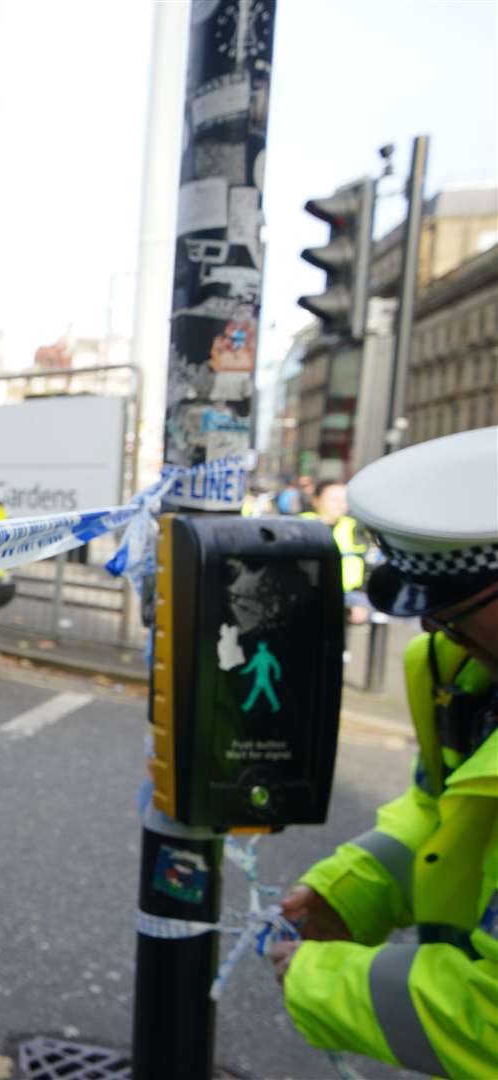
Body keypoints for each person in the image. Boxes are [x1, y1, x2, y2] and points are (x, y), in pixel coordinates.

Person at [269, 426, 498, 1078]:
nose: (432, 626)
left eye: (459, 604)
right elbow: (445, 814)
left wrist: (319, 980)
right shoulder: (462, 672)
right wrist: (350, 890)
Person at [303, 480, 371, 624]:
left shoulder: (356, 528)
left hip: (349, 594)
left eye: (344, 499)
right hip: (309, 590)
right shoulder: (300, 525)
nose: (340, 504)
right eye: (334, 499)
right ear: (316, 500)